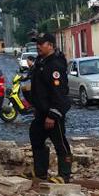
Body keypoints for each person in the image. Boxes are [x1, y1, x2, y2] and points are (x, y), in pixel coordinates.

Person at [28, 33, 73, 183]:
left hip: (53, 113)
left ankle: (64, 176)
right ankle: (40, 172)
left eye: (41, 43)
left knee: (60, 143)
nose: (38, 46)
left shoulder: (55, 64)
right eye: (37, 43)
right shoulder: (42, 61)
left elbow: (59, 93)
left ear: (51, 45)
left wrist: (53, 115)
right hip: (41, 112)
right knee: (36, 137)